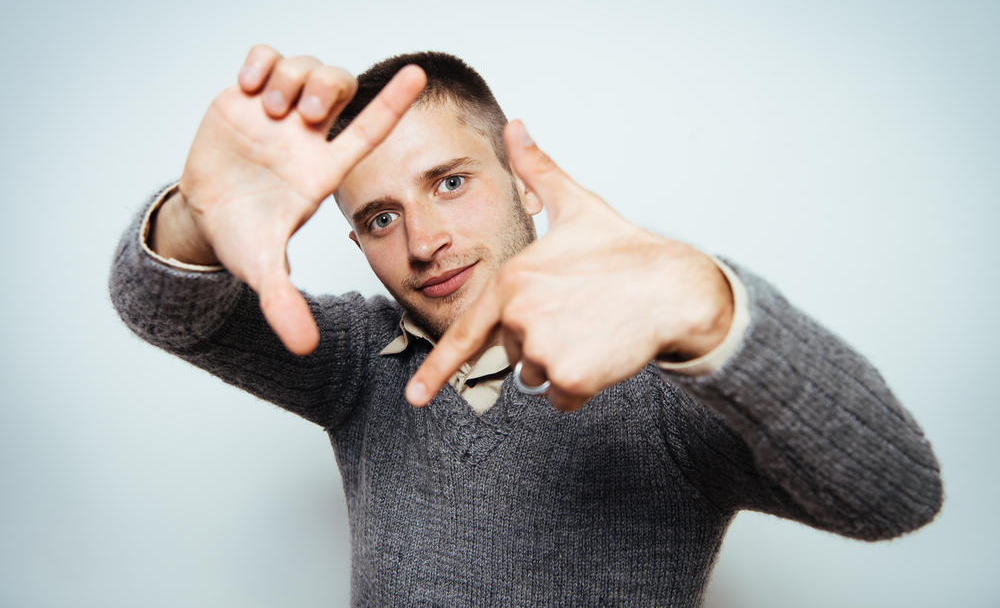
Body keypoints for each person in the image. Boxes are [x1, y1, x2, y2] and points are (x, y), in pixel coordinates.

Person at [110, 45, 942, 606]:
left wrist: (713, 306)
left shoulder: (662, 384)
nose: (423, 242)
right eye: (378, 217)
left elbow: (896, 492)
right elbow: (162, 307)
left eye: (448, 182)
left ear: (519, 175)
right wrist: (194, 216)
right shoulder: (360, 362)